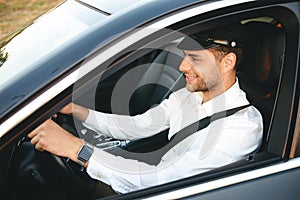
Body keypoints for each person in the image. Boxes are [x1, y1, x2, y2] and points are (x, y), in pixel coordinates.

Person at [28, 25, 263, 196]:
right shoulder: (189, 96)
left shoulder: (241, 128)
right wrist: (78, 111)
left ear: (227, 62)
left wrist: (75, 149)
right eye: (184, 57)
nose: (182, 67)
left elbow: (160, 180)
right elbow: (138, 125)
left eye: (194, 59)